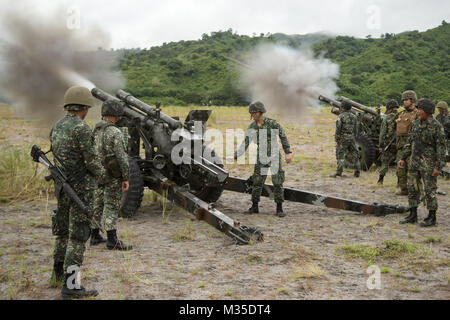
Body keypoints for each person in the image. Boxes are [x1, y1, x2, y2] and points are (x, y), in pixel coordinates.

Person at [50, 86, 103, 299]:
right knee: (79, 236)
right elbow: (91, 160)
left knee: (62, 232)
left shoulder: (57, 126)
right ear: (85, 108)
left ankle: (57, 274)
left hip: (61, 187)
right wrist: (100, 173)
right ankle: (71, 286)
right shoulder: (81, 129)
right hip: (80, 189)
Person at [234, 101, 292, 217]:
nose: (253, 115)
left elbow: (283, 136)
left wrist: (288, 152)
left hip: (275, 155)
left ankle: (279, 208)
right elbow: (245, 142)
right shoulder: (252, 127)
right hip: (261, 156)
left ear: (260, 112)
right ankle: (254, 207)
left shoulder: (272, 123)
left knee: (277, 182)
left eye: (254, 112)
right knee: (257, 182)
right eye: (251, 113)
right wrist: (237, 154)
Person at [398, 98, 446, 227]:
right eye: (418, 109)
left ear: (428, 111)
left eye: (420, 109)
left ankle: (432, 217)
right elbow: (409, 142)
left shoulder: (436, 127)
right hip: (414, 162)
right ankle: (413, 214)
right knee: (412, 187)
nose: (418, 111)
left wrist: (438, 167)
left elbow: (441, 149)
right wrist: (403, 158)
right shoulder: (416, 124)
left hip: (429, 165)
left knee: (430, 190)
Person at [93, 99, 133, 250]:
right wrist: (126, 177)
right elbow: (122, 158)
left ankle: (94, 235)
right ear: (117, 114)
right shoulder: (115, 132)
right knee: (111, 205)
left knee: (97, 203)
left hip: (98, 173)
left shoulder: (96, 130)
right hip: (112, 175)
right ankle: (112, 239)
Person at [395, 90, 421, 195]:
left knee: (412, 170)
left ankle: (414, 191)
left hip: (412, 147)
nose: (404, 102)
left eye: (406, 100)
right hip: (401, 146)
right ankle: (404, 189)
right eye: (403, 100)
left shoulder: (418, 114)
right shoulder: (401, 114)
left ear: (412, 100)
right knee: (400, 170)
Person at [330, 100, 361, 178]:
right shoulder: (354, 117)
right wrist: (354, 137)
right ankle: (357, 172)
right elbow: (356, 129)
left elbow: (338, 129)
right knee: (355, 155)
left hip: (343, 139)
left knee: (340, 155)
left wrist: (337, 140)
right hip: (351, 138)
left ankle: (338, 173)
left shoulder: (341, 116)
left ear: (342, 108)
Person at [377, 99, 399, 184]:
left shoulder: (387, 118)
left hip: (388, 144)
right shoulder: (401, 116)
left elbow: (382, 133)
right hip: (399, 143)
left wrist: (380, 145)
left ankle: (380, 180)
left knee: (385, 162)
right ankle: (399, 182)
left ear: (389, 108)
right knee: (399, 163)